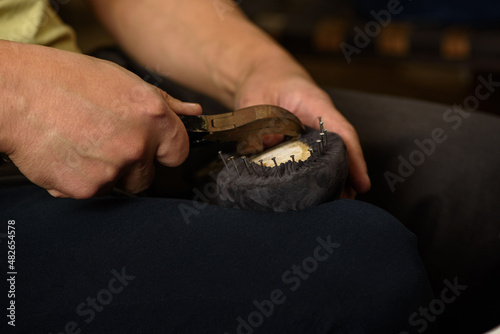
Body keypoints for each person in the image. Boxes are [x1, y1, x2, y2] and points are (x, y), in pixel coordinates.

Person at [0, 0, 436, 333]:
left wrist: (254, 69)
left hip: (94, 83)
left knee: (479, 177)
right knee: (363, 268)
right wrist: (18, 94)